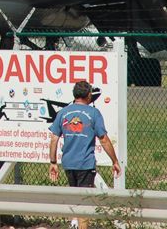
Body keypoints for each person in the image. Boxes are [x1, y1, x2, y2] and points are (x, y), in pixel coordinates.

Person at [48, 80, 121, 229]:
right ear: (89, 95)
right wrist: (114, 160)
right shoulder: (93, 113)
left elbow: (54, 139)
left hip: (68, 163)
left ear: (74, 95)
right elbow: (104, 139)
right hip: (85, 164)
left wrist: (53, 162)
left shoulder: (63, 112)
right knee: (85, 202)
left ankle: (74, 223)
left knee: (75, 197)